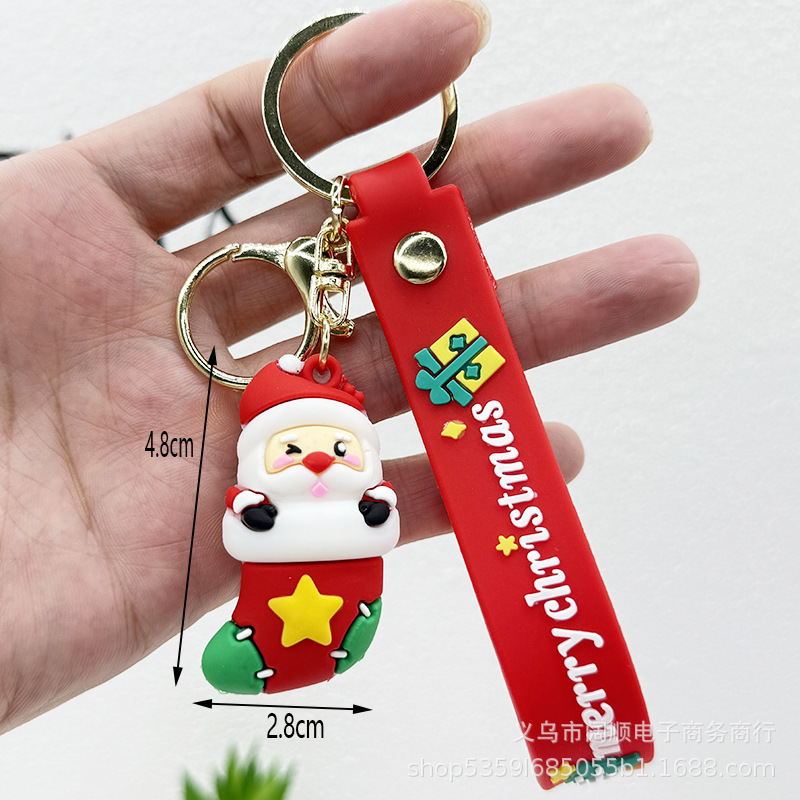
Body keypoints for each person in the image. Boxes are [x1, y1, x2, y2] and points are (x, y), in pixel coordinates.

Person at [0, 0, 697, 734]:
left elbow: (371, 517)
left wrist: (368, 512)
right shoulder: (263, 509)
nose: (316, 461)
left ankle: (364, 651)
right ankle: (268, 648)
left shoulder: (350, 504)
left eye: (333, 447)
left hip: (347, 590)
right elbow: (253, 529)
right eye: (294, 450)